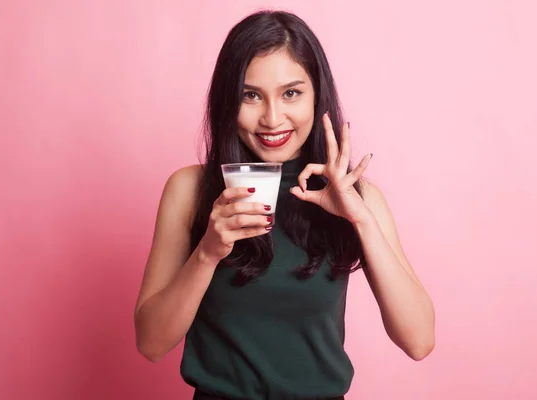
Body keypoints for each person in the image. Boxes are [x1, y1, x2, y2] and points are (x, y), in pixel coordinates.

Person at [134, 9, 435, 400]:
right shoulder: (190, 189)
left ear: (316, 97)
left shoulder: (357, 198)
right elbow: (151, 343)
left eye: (291, 93)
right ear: (228, 99)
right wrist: (207, 252)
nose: (272, 119)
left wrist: (360, 218)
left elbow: (419, 341)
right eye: (251, 95)